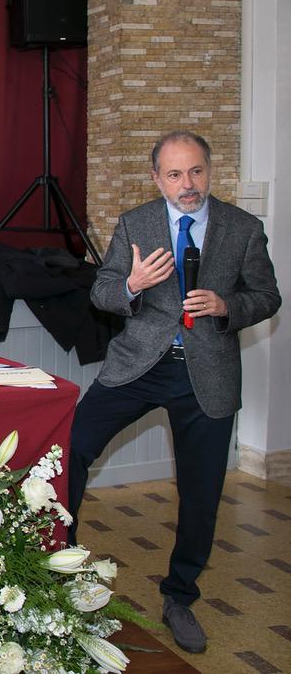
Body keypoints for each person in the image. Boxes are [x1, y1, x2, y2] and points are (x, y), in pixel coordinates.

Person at [68, 130, 280, 654]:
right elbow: (104, 291)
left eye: (197, 172)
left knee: (201, 495)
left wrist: (229, 306)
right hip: (139, 365)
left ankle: (179, 595)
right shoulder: (135, 223)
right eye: (175, 174)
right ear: (157, 177)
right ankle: (62, 568)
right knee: (68, 449)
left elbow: (267, 296)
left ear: (210, 171)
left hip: (206, 375)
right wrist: (133, 284)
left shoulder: (243, 228)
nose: (188, 185)